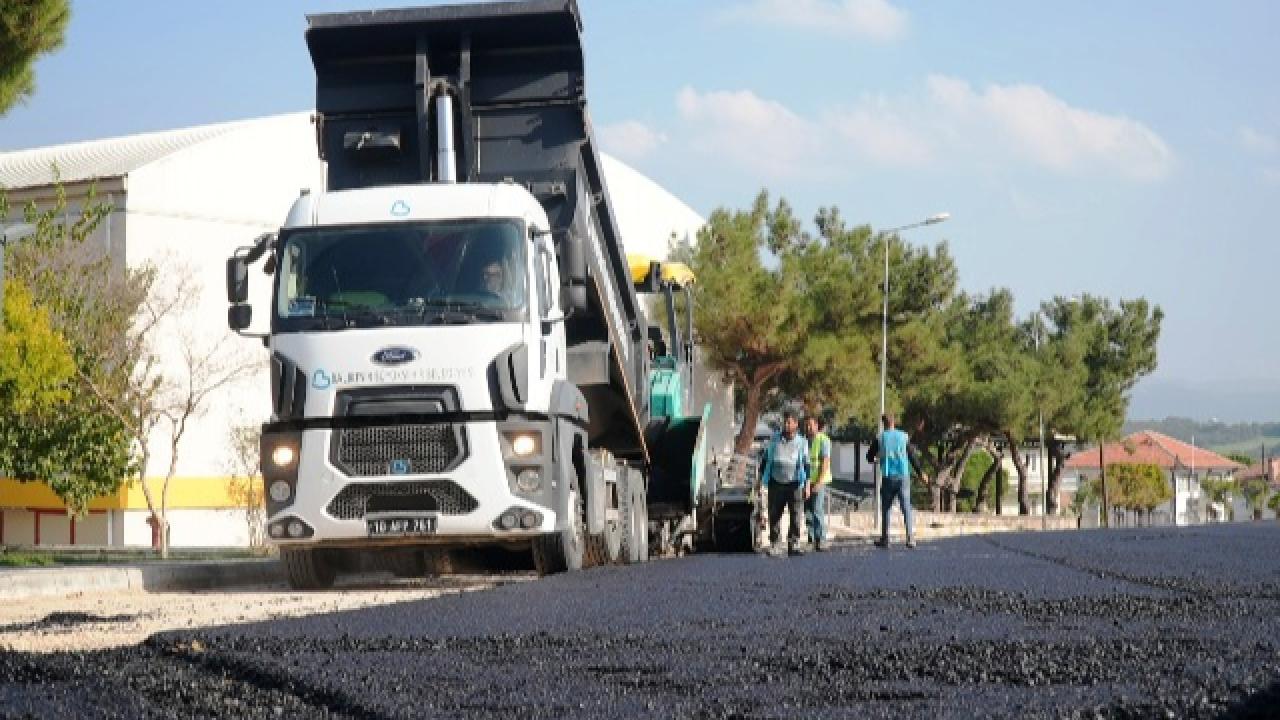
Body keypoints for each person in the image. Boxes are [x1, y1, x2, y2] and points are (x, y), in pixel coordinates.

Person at [867, 413, 927, 548]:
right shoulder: (904, 436)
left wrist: (878, 459)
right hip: (903, 476)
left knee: (886, 508)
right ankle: (910, 538)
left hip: (888, 476)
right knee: (906, 507)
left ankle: (885, 539)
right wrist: (921, 472)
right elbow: (912, 455)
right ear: (894, 422)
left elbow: (869, 457)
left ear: (883, 424)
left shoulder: (880, 438)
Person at [758, 411, 810, 557]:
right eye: (785, 422)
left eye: (789, 422)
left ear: (795, 424)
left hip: (794, 483)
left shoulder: (802, 442)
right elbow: (765, 460)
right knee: (774, 514)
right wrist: (760, 481)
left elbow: (806, 464)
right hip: (776, 482)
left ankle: (793, 543)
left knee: (795, 514)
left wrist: (807, 484)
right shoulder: (774, 440)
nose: (786, 425)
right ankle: (775, 543)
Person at [804, 416, 833, 552]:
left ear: (816, 425)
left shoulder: (823, 440)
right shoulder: (804, 441)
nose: (808, 428)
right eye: (806, 425)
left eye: (810, 425)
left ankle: (821, 539)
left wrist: (819, 482)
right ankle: (811, 539)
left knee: (817, 510)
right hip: (807, 481)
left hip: (819, 482)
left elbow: (825, 462)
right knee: (808, 511)